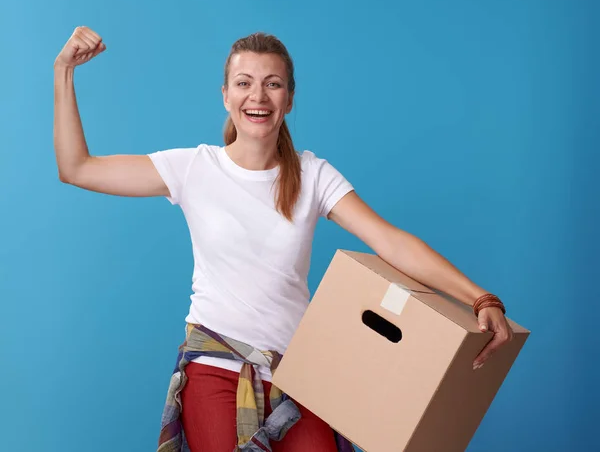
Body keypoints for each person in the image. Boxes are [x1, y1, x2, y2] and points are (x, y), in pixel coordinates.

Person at [53, 26, 513, 452]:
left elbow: (390, 241)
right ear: (226, 95)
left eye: (272, 83)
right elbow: (76, 168)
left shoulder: (312, 175)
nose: (258, 95)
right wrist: (65, 71)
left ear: (290, 98)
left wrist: (481, 298)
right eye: (244, 82)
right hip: (215, 365)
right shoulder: (194, 168)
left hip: (297, 375)